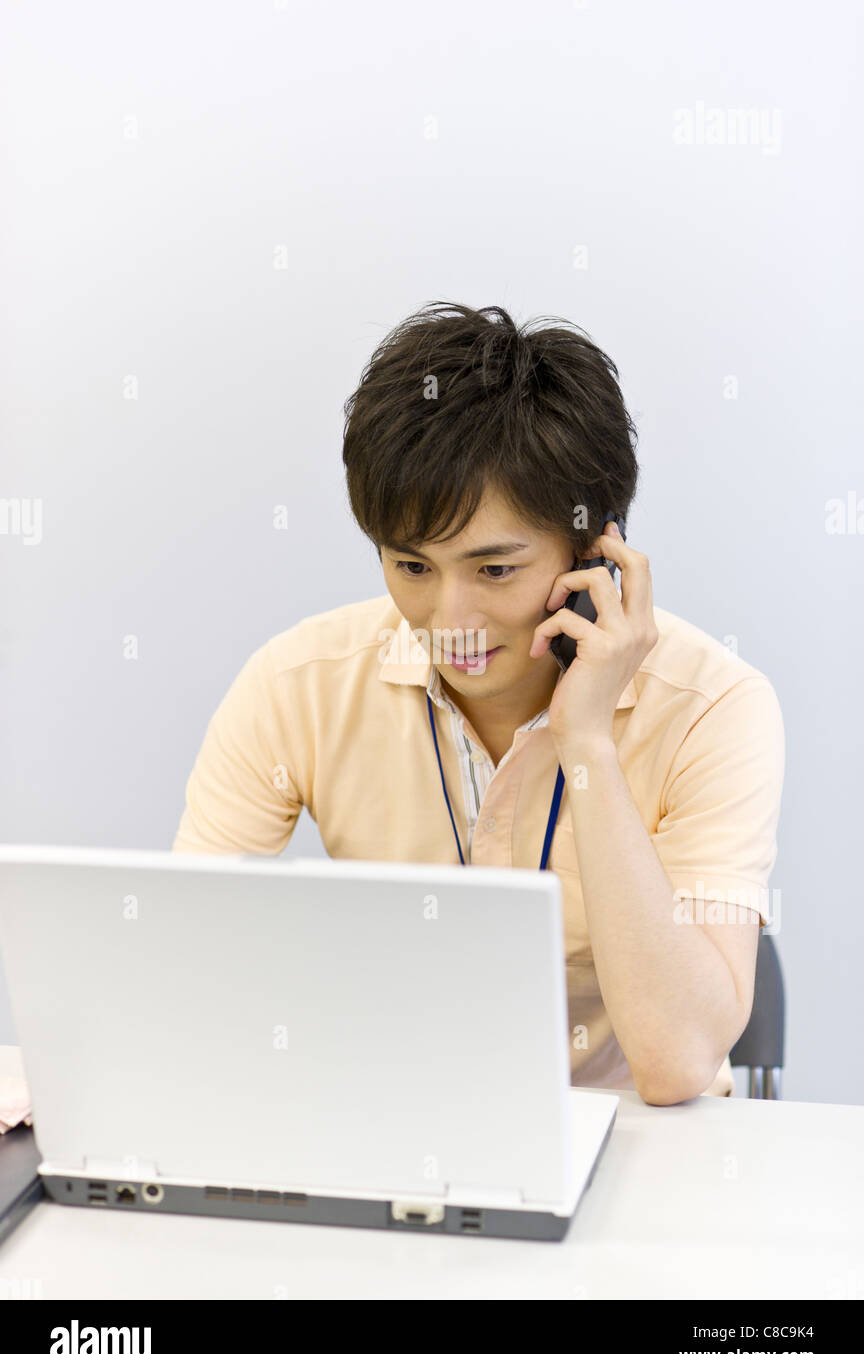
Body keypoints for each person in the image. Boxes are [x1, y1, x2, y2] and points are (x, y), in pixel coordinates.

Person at [172, 301, 785, 1105]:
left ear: (594, 552)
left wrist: (589, 742)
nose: (448, 623)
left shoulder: (714, 707)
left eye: (494, 571)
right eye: (412, 568)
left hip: (638, 1143)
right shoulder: (299, 683)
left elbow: (676, 1062)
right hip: (394, 1119)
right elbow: (184, 970)